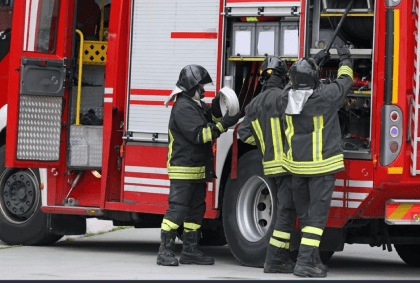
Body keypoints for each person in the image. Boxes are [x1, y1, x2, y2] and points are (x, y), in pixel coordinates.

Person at [158, 64, 241, 266]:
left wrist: (217, 104)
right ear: (191, 86)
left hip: (196, 170)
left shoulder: (194, 105)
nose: (203, 90)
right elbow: (200, 134)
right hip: (183, 169)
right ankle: (165, 251)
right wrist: (224, 125)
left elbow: (210, 117)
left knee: (196, 211)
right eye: (201, 87)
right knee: (177, 210)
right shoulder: (183, 108)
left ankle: (190, 251)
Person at [282, 46, 353, 277]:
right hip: (321, 168)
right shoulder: (325, 97)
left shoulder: (286, 97)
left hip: (297, 169)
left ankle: (313, 260)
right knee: (316, 219)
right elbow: (345, 80)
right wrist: (345, 58)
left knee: (305, 217)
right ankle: (304, 263)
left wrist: (314, 61)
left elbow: (294, 82)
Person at [237, 57, 296, 273]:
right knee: (285, 211)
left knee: (281, 209)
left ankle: (279, 257)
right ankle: (275, 260)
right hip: (287, 165)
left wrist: (263, 145)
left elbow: (243, 134)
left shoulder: (254, 103)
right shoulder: (284, 98)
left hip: (269, 164)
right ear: (282, 77)